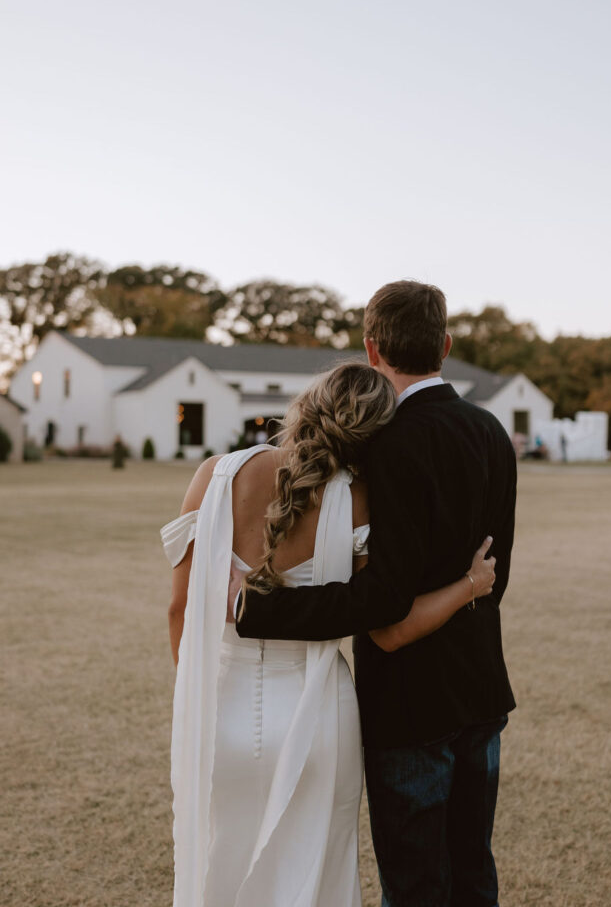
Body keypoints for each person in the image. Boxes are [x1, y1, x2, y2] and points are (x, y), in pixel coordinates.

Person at [161, 360, 497, 907]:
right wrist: (469, 584)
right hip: (319, 717)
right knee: (313, 875)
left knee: (222, 864)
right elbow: (389, 627)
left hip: (222, 707)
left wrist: (200, 696)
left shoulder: (214, 475)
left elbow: (180, 609)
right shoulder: (361, 500)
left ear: (304, 404)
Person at [233, 280, 517, 907]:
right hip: (482, 690)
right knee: (474, 876)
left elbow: (382, 602)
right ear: (444, 345)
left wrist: (261, 609)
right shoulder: (493, 431)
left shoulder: (385, 442)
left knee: (415, 888)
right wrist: (468, 587)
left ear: (371, 349)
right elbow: (495, 574)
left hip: (412, 704)